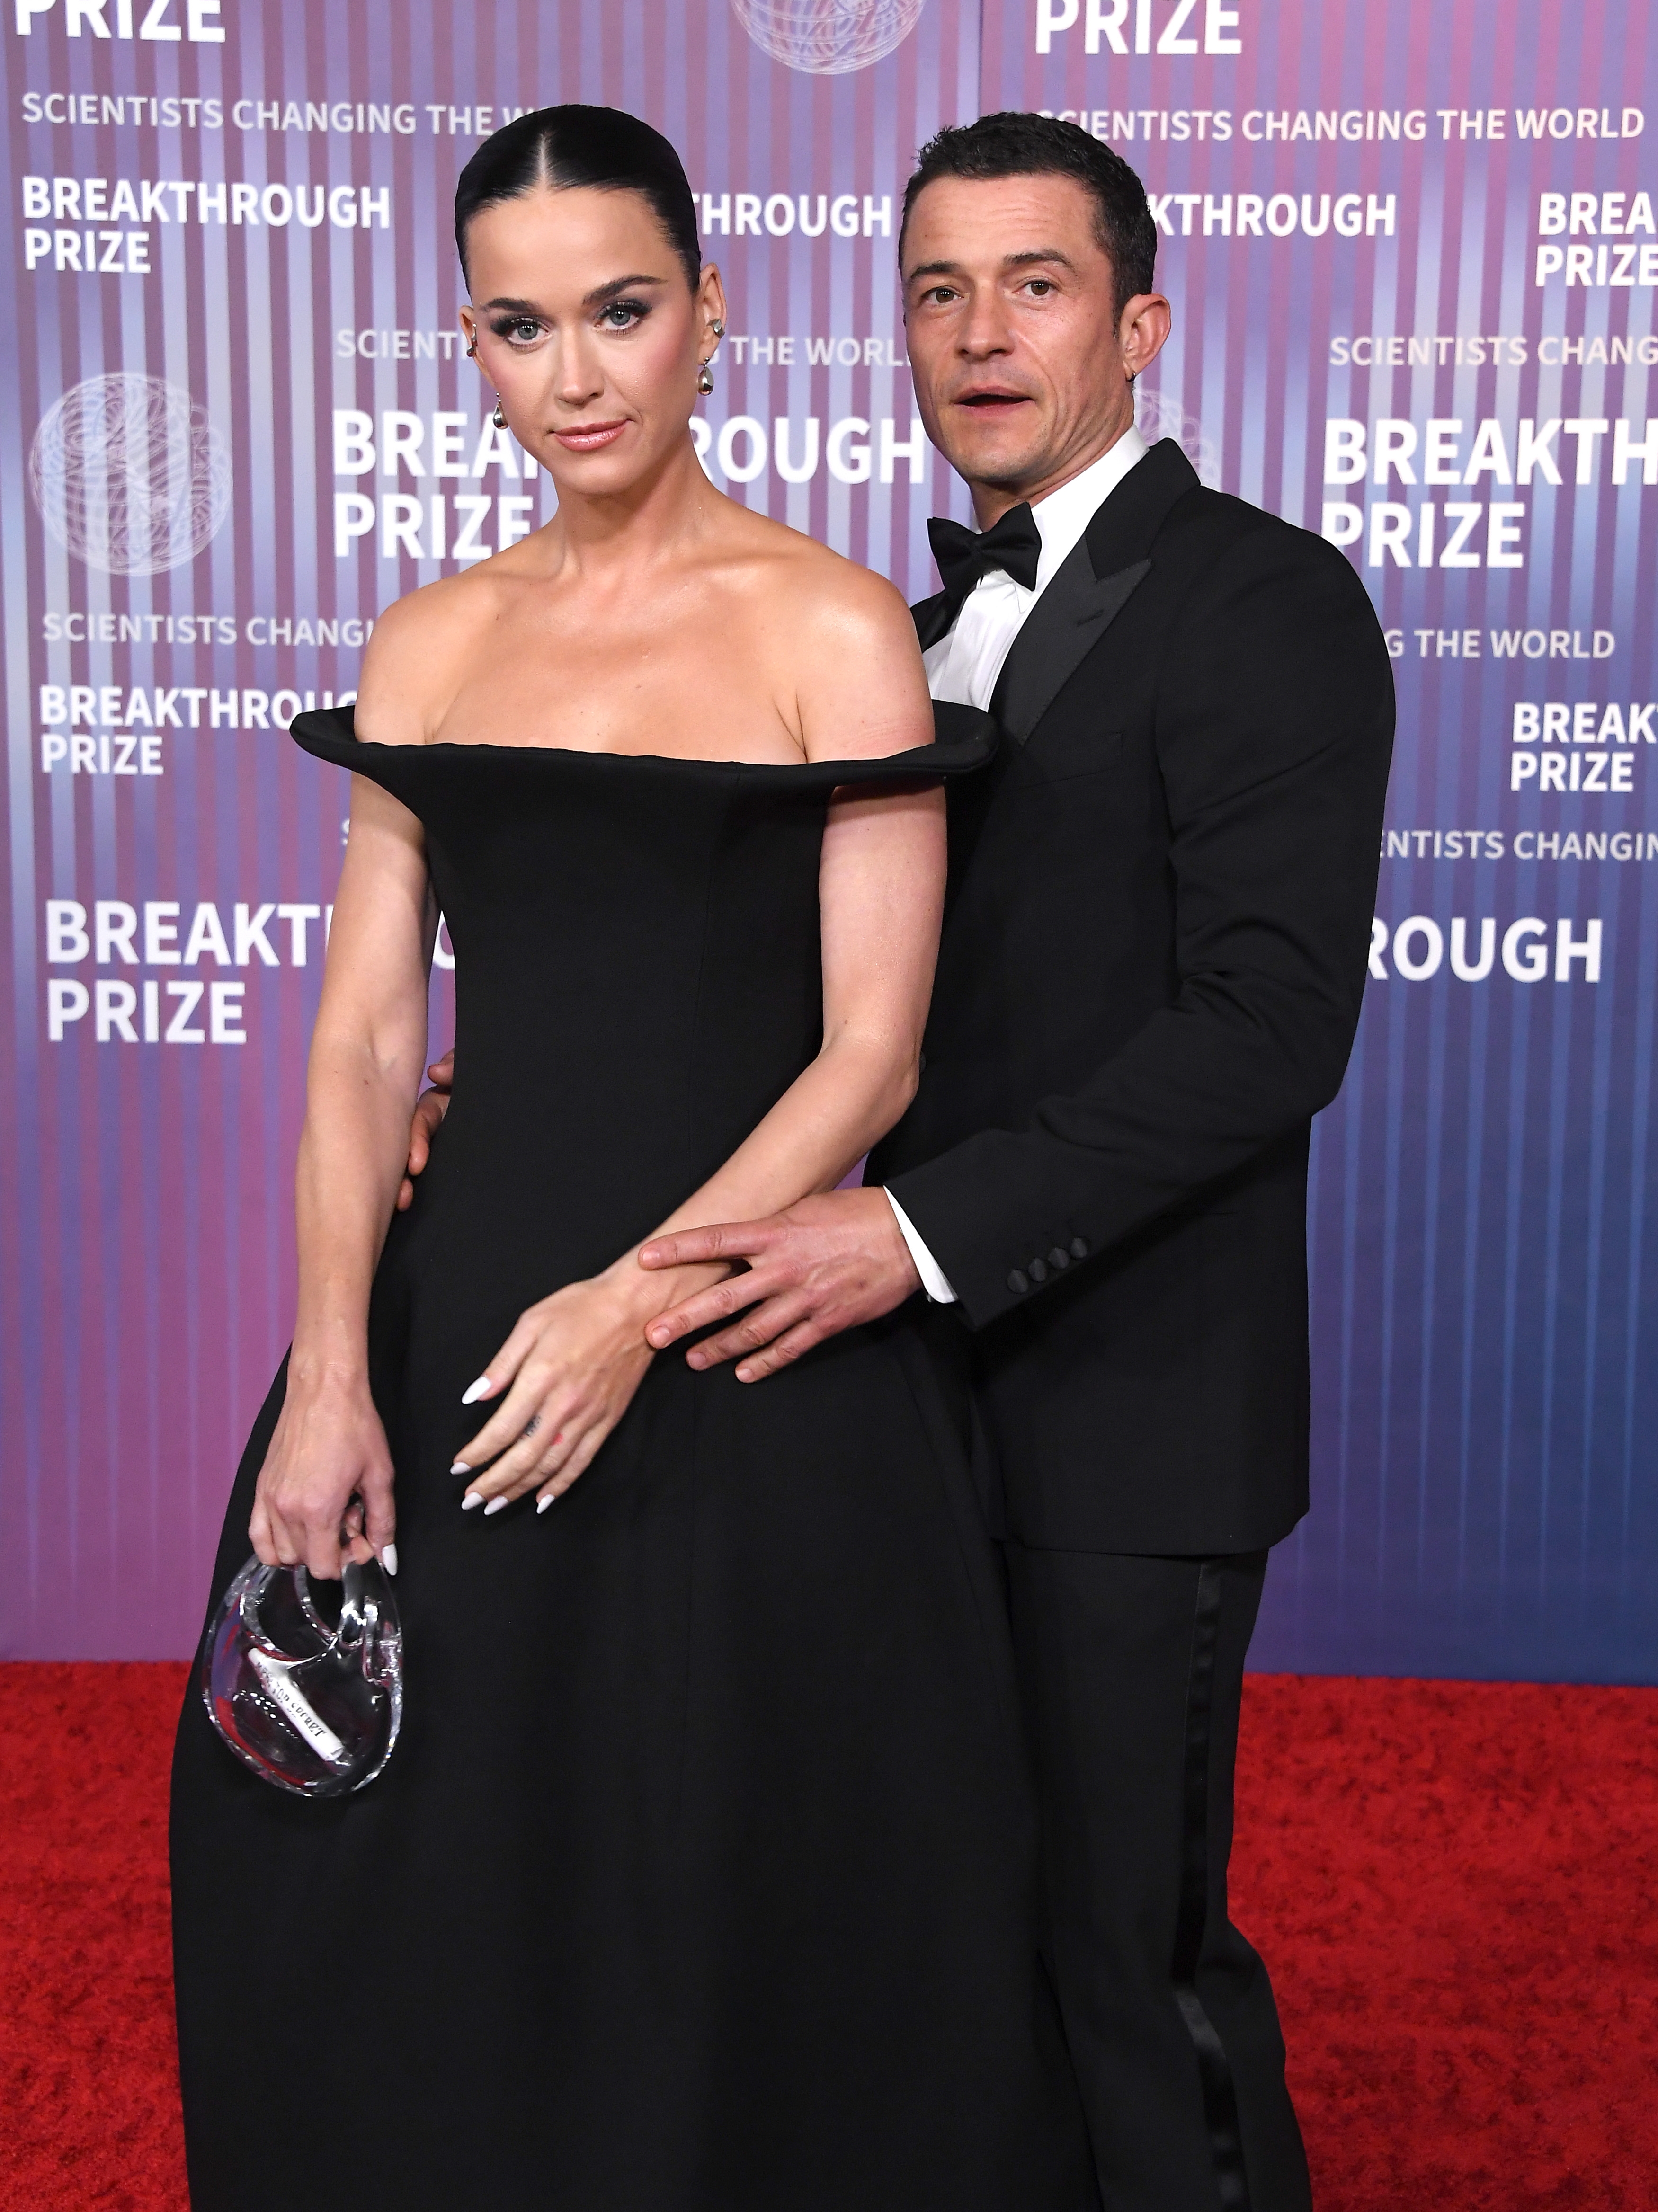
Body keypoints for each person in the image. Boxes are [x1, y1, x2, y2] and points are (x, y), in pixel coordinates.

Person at [169, 106, 1099, 2212]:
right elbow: (364, 1041)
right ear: (468, 343)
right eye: (521, 327)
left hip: (748, 1331)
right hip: (461, 1331)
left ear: (712, 315)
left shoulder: (832, 628)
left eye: (621, 311)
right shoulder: (428, 643)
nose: (575, 374)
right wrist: (329, 1371)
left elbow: (871, 1050)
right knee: (398, 1865)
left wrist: (630, 1304)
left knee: (742, 1876)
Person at [620, 116, 1396, 2212]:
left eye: (1035, 286)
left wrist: (915, 1231)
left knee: (1126, 1961)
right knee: (940, 1950)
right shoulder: (883, 628)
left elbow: (1268, 1031)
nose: (979, 333)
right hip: (882, 1415)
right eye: (937, 291)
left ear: (1141, 326)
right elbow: (804, 1006)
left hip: (1133, 1413)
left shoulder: (1265, 601)